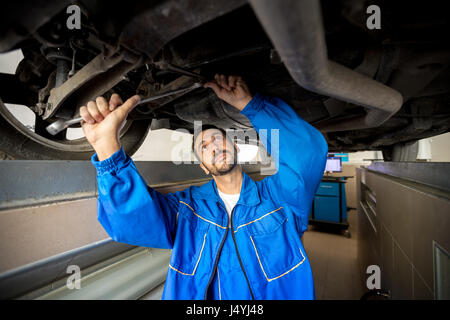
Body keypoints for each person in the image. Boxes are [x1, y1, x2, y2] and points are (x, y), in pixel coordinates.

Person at [81, 74, 328, 300]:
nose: (213, 147)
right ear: (204, 167)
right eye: (204, 148)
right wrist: (107, 147)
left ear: (236, 147)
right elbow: (132, 221)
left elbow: (306, 154)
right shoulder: (186, 209)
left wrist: (251, 105)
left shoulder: (279, 198)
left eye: (218, 139)